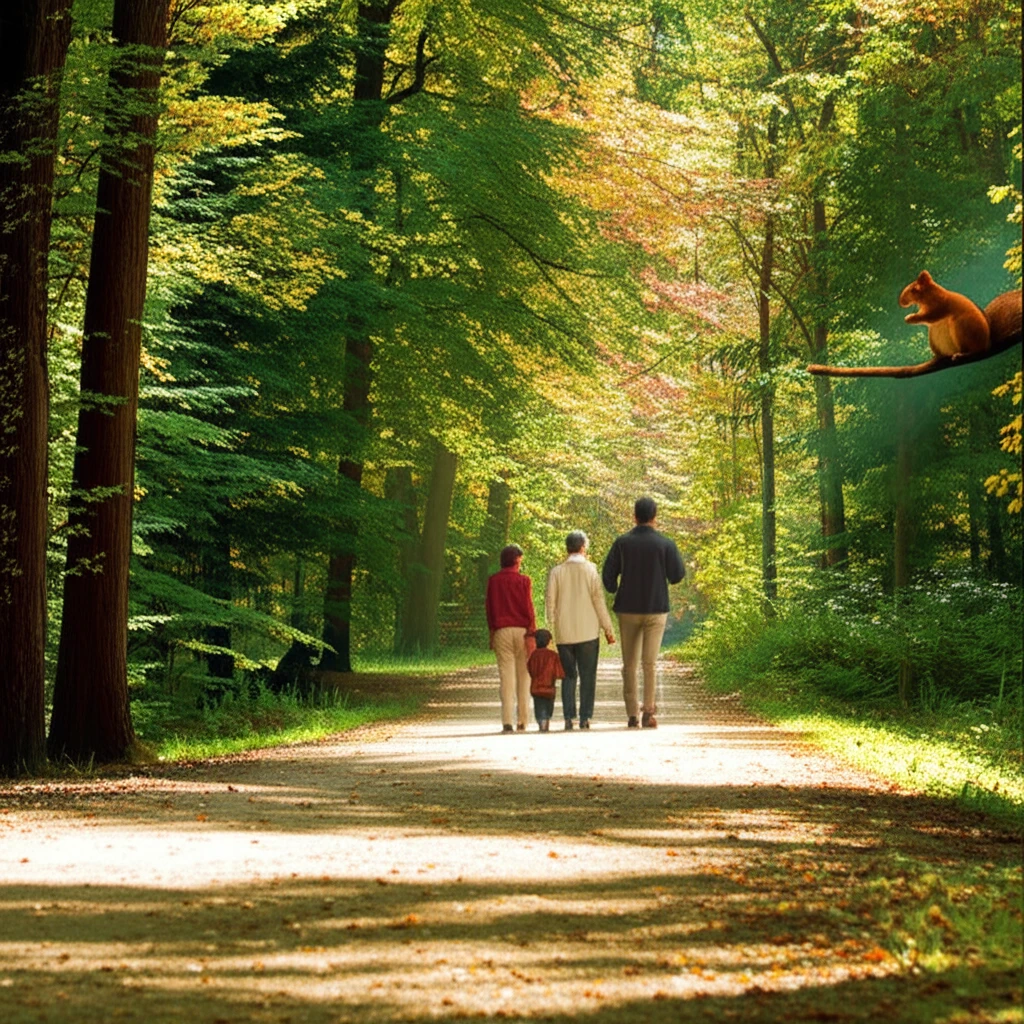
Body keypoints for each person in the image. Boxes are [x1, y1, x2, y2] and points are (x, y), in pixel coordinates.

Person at [601, 497, 684, 729]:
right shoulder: (665, 544)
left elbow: (608, 574)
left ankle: (631, 714)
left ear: (634, 516)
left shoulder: (622, 543)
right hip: (656, 608)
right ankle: (648, 711)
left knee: (629, 664)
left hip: (627, 608)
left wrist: (615, 588)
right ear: (655, 517)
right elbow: (677, 575)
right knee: (650, 663)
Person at [545, 530, 615, 731]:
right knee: (587, 675)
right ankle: (585, 717)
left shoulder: (556, 572)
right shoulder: (591, 570)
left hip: (564, 631)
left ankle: (569, 717)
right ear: (583, 547)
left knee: (568, 675)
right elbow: (598, 601)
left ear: (567, 548)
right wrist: (607, 629)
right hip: (588, 632)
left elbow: (551, 601)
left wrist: (551, 626)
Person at [485, 544, 536, 733]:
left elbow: (489, 609)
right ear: (516, 560)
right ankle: (523, 720)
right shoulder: (524, 581)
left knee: (506, 677)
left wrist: (492, 633)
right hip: (522, 630)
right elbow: (529, 609)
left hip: (501, 631)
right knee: (524, 677)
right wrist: (532, 632)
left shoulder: (493, 581)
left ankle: (507, 721)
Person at [527, 629, 564, 732]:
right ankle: (546, 720)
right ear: (549, 641)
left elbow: (530, 668)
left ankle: (541, 721)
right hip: (549, 688)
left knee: (538, 706)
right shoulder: (553, 655)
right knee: (548, 707)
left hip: (536, 687)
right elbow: (559, 672)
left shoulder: (534, 655)